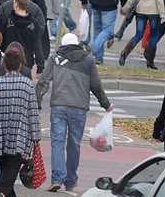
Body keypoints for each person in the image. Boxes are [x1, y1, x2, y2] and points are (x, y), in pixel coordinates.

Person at [36, 33, 112, 192]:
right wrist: (106, 104)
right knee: (74, 144)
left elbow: (44, 81)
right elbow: (96, 85)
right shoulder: (88, 60)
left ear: (63, 44)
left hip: (59, 105)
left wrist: (37, 101)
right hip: (79, 108)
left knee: (57, 142)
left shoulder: (55, 58)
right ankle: (70, 180)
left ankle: (57, 178)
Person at [0, 46, 41, 197]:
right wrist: (36, 136)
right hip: (21, 135)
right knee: (11, 170)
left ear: (4, 64)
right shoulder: (28, 85)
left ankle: (1, 191)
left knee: (6, 169)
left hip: (0, 134)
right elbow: (33, 112)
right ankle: (0, 191)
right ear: (20, 64)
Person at [0, 0, 44, 75]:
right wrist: (40, 66)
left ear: (16, 4)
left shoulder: (7, 20)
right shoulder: (33, 24)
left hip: (8, 58)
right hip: (26, 61)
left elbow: (0, 39)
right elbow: (37, 45)